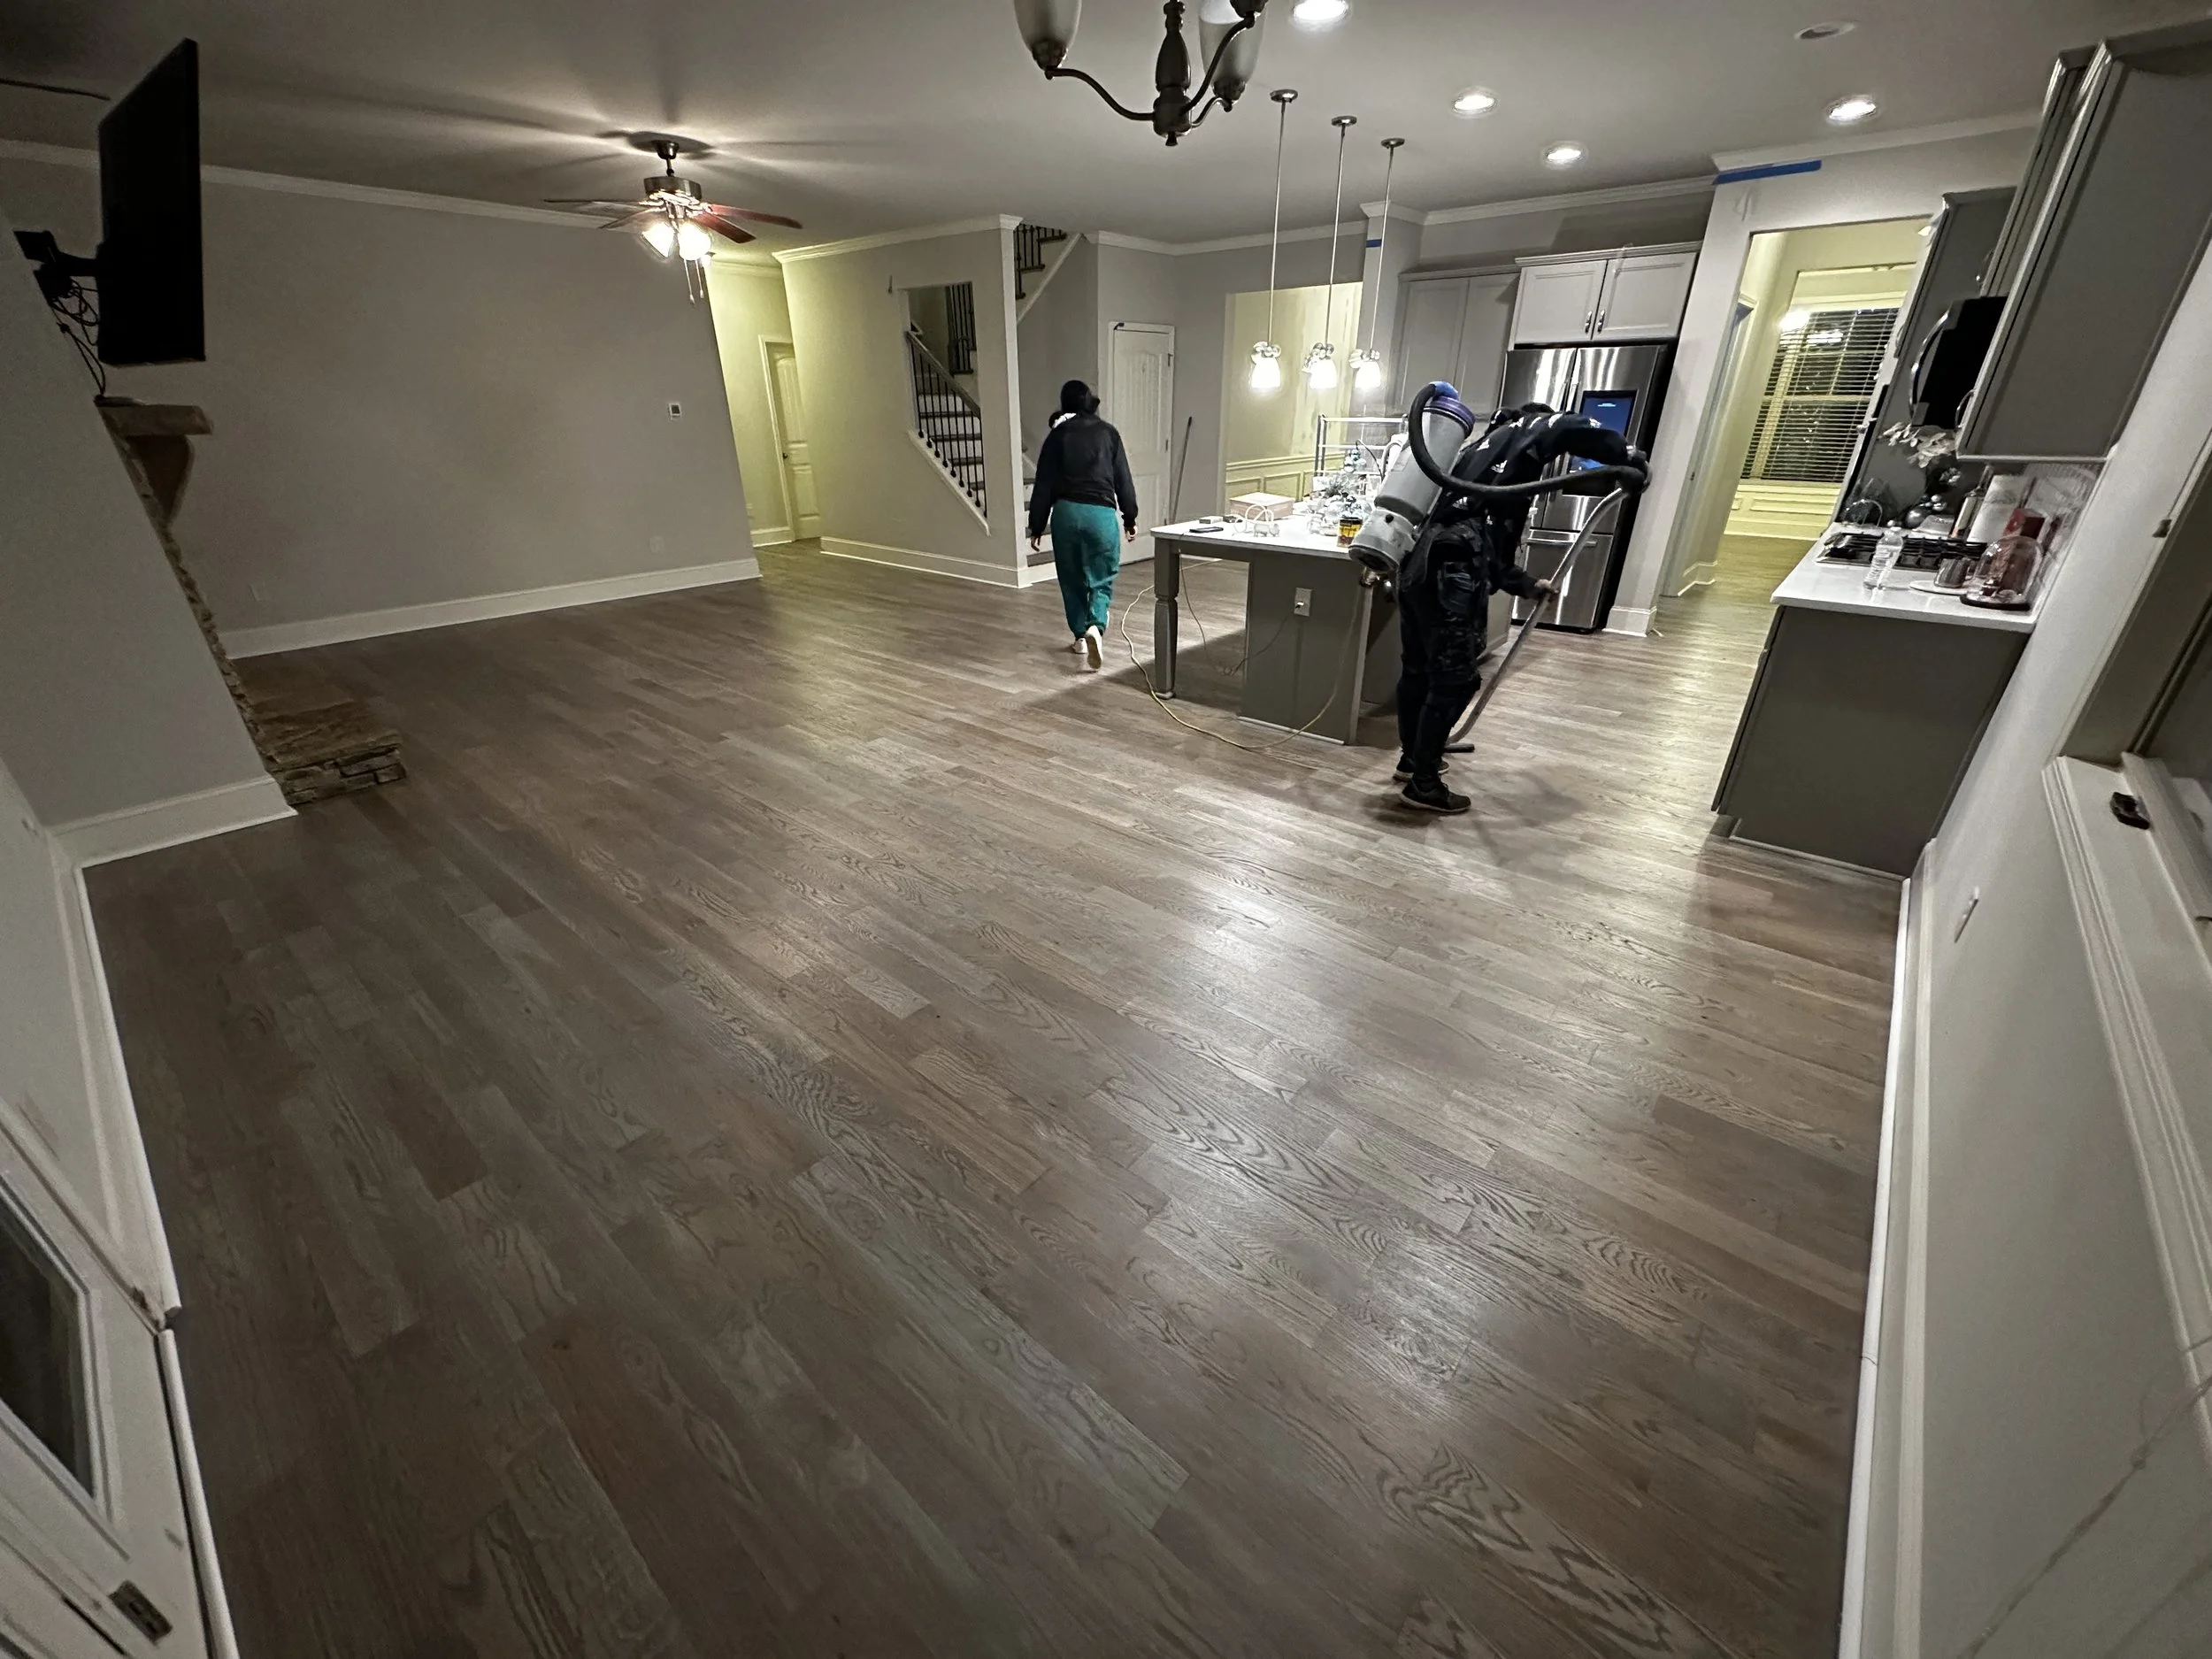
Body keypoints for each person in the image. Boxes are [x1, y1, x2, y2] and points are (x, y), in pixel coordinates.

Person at [1393, 403, 1636, 813]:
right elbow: (1569, 426)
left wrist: (1526, 584)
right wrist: (1624, 456)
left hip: (1418, 567)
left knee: (1419, 671)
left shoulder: (1478, 456)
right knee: (1455, 681)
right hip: (1452, 574)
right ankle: (1423, 782)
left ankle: (1413, 758)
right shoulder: (1529, 428)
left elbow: (1491, 542)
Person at [1027, 380, 1139, 671]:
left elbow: (1044, 484)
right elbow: (1123, 478)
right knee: (1102, 577)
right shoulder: (1109, 433)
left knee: (1071, 577)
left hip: (1065, 513)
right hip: (1099, 513)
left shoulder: (1057, 435)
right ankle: (1095, 627)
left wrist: (1036, 526)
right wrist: (1130, 517)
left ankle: (1079, 636)